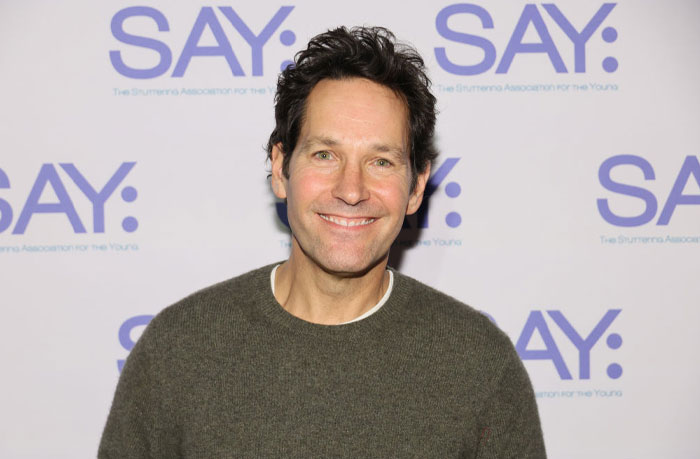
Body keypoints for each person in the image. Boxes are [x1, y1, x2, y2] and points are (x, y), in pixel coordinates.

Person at [99, 26, 546, 458]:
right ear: (280, 168)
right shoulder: (179, 349)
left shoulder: (479, 365)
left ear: (416, 187)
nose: (351, 190)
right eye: (324, 155)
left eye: (382, 161)